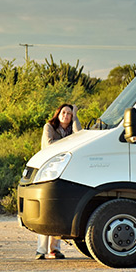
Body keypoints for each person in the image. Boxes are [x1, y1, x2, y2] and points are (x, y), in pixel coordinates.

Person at [35, 103, 82, 260]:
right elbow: (48, 144)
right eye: (64, 112)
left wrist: (76, 116)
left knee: (58, 210)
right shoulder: (49, 127)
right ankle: (41, 250)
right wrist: (70, 144)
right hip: (48, 171)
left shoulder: (72, 131)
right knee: (47, 210)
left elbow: (81, 137)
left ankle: (54, 249)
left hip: (65, 172)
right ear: (58, 113)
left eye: (69, 114)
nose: (66, 115)